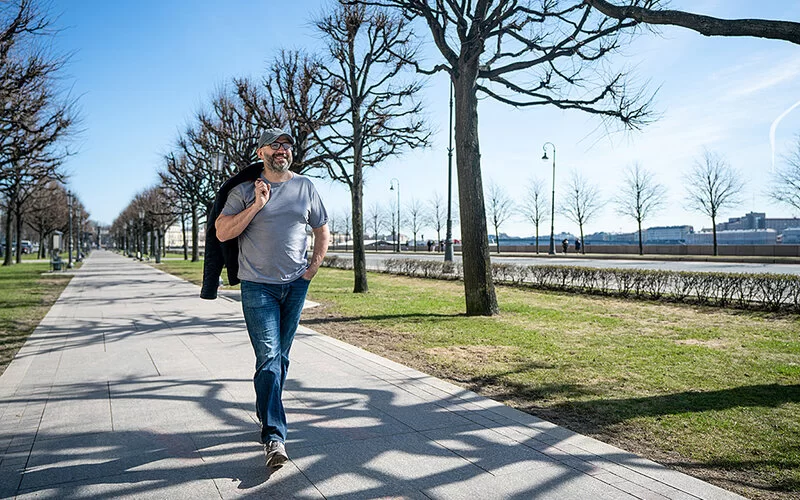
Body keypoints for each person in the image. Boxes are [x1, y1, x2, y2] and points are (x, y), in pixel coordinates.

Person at [215, 127, 330, 469]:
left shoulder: (305, 186)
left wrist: (312, 270)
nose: (283, 150)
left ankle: (267, 412)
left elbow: (321, 227)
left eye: (287, 145)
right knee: (268, 355)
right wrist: (258, 205)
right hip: (257, 286)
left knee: (280, 359)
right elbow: (222, 230)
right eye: (275, 145)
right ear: (261, 152)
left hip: (296, 284)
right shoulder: (243, 192)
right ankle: (274, 437)